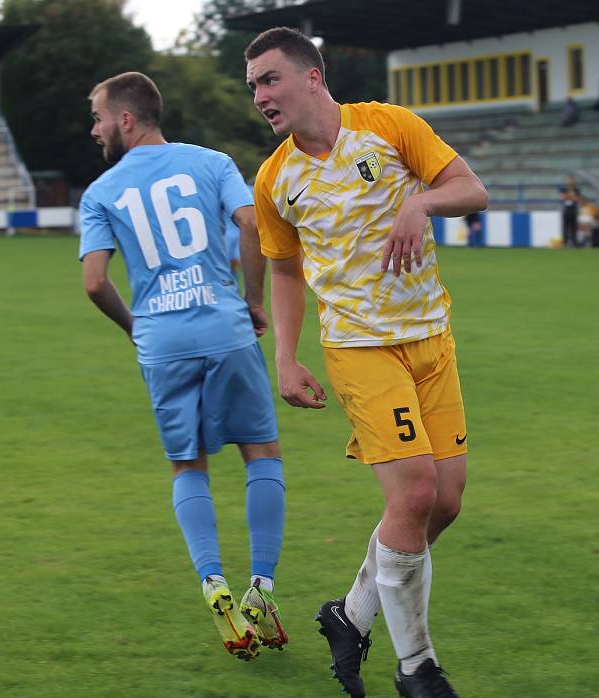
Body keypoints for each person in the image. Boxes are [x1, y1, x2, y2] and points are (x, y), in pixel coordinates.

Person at [245, 28, 488, 698]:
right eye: (255, 87)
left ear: (313, 76)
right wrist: (286, 359)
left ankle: (349, 614)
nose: (261, 96)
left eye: (271, 79)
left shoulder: (390, 125)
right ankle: (418, 668)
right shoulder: (275, 179)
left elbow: (472, 190)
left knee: (445, 504)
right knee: (412, 494)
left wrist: (421, 200)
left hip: (432, 340)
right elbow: (285, 272)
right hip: (359, 347)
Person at [78, 71, 288, 662]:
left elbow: (95, 282)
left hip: (162, 340)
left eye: (97, 118)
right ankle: (261, 589)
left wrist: (136, 328)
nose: (94, 131)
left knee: (186, 465)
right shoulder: (214, 162)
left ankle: (212, 581)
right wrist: (251, 300)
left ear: (125, 119)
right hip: (224, 326)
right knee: (261, 454)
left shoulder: (100, 193)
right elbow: (251, 224)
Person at [559, 176, 580, 247]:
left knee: (574, 227)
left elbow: (577, 199)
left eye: (571, 180)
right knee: (565, 227)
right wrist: (571, 196)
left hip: (574, 210)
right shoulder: (563, 189)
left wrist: (568, 197)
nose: (570, 181)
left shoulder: (576, 189)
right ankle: (565, 242)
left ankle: (574, 242)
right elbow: (562, 198)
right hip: (566, 210)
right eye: (568, 180)